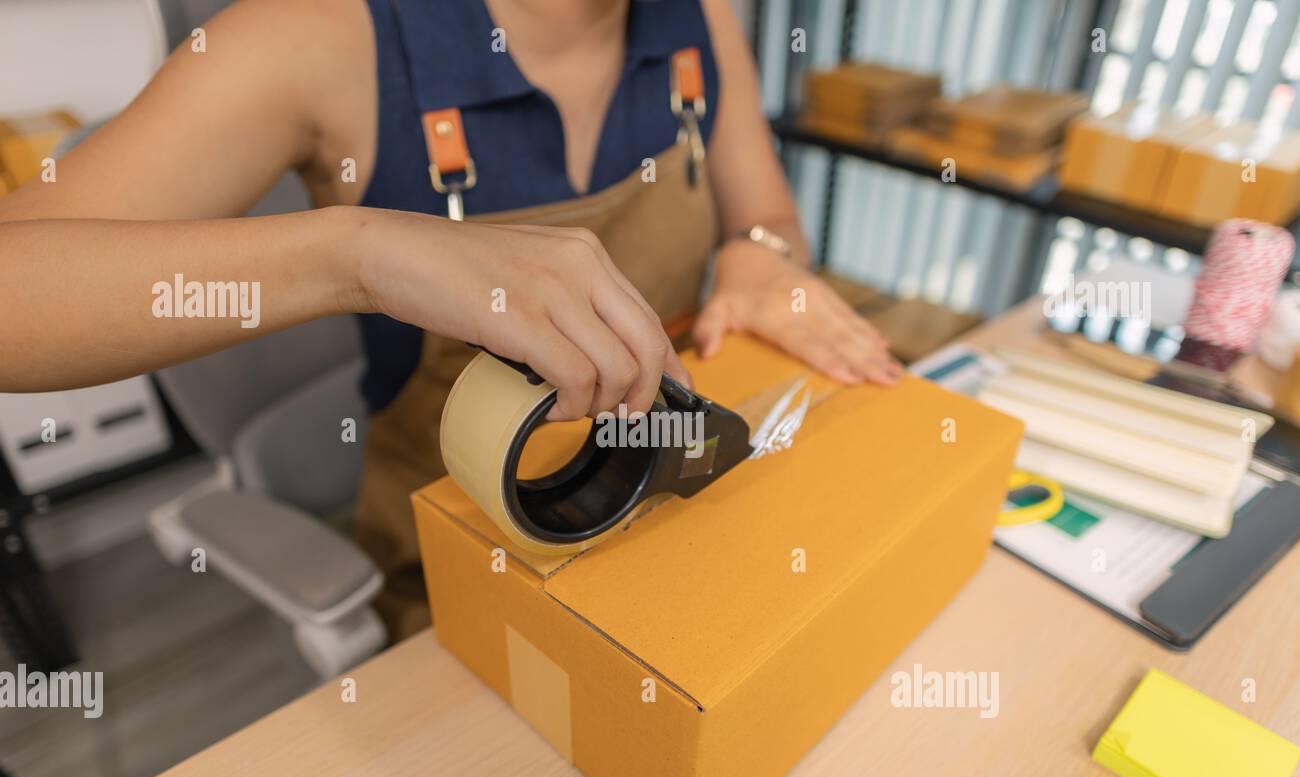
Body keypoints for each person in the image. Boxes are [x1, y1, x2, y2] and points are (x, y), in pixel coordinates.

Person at [0, 0, 903, 637]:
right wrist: (359, 254)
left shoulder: (698, 20)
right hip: (460, 586)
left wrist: (759, 255)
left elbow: (769, 220)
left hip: (660, 527)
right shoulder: (312, 37)